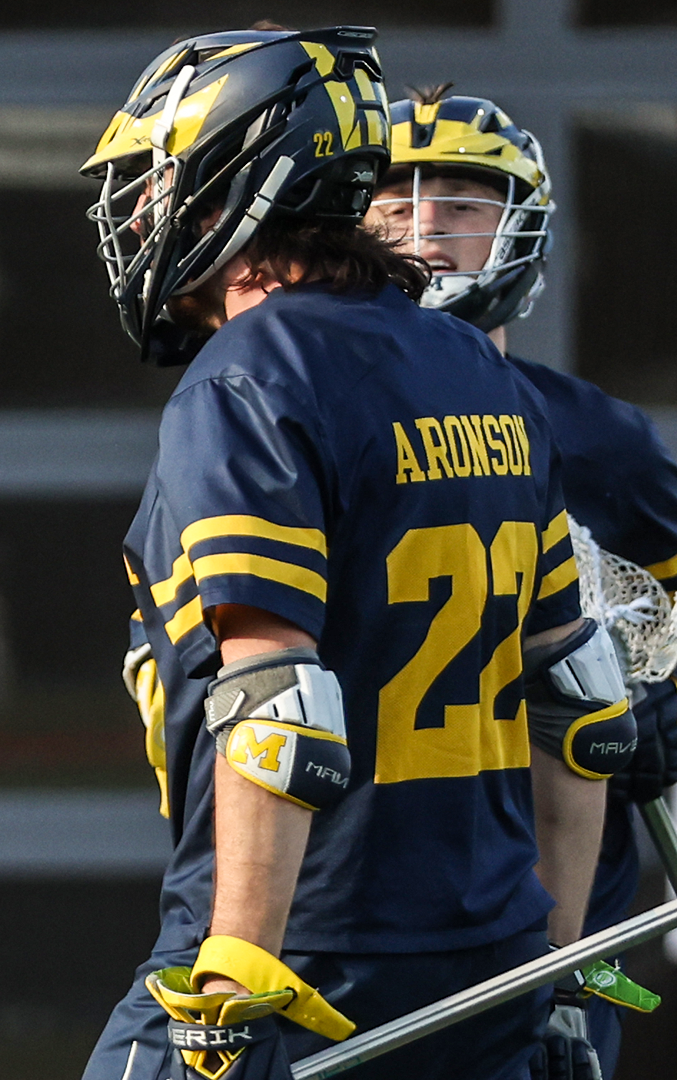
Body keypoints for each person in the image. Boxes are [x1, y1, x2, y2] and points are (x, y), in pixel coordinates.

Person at [76, 26, 634, 1080]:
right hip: (492, 971)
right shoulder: (476, 365)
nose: (141, 214)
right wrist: (554, 981)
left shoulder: (249, 375)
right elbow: (580, 697)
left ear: (240, 180)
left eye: (160, 183)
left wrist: (233, 990)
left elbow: (277, 701)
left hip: (311, 971)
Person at [368, 84, 677, 1079]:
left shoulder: (600, 442)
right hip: (356, 890)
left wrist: (662, 700)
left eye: (460, 202)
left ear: (520, 226)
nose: (423, 229)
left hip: (547, 903)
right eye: (390, 203)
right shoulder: (307, 415)